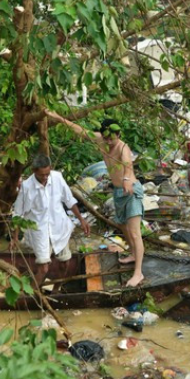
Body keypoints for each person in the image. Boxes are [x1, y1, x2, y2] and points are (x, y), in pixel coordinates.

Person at [45, 112, 145, 287]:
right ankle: (133, 255)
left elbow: (128, 165)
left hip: (131, 191)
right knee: (122, 225)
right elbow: (80, 131)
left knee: (135, 232)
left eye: (111, 140)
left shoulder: (123, 148)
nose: (108, 143)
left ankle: (138, 273)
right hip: (118, 192)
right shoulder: (101, 139)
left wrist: (128, 179)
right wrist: (59, 118)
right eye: (105, 139)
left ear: (119, 136)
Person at [12, 154, 91, 285]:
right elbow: (18, 214)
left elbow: (69, 200)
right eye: (41, 175)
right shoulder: (26, 187)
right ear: (34, 171)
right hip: (39, 231)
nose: (45, 178)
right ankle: (31, 296)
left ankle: (56, 290)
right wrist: (14, 238)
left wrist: (81, 220)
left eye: (47, 174)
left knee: (65, 263)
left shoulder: (57, 178)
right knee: (43, 268)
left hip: (59, 227)